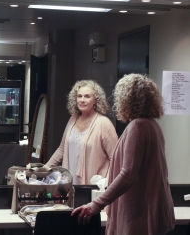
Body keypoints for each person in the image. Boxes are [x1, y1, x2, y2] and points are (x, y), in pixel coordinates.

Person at [72, 74, 175, 235]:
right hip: (152, 209)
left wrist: (97, 204)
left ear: (127, 99)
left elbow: (128, 174)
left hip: (139, 213)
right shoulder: (153, 125)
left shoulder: (138, 126)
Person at [46, 80, 118, 184]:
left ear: (96, 100)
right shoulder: (72, 119)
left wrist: (106, 182)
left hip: (93, 186)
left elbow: (115, 157)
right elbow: (61, 149)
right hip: (69, 184)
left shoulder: (104, 123)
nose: (82, 100)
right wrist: (44, 168)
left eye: (87, 96)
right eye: (79, 96)